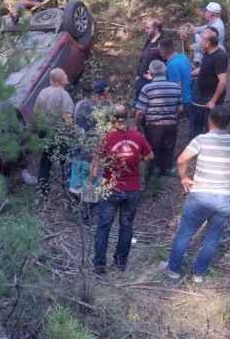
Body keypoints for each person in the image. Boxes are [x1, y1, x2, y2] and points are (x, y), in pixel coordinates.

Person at [162, 106, 230, 282]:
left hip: (200, 195)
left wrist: (184, 178)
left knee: (185, 233)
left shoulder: (201, 140)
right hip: (223, 197)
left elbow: (181, 159)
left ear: (210, 120)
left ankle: (173, 270)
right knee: (212, 238)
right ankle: (199, 274)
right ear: (228, 122)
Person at [91, 105, 153, 274]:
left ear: (112, 119)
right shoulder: (137, 136)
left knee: (104, 226)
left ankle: (99, 264)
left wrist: (93, 179)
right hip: (133, 189)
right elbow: (150, 156)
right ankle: (121, 262)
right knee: (126, 226)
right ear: (128, 118)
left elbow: (97, 161)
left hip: (111, 188)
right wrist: (137, 158)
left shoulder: (107, 137)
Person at [70, 81, 111, 224]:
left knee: (78, 179)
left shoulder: (80, 104)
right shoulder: (106, 108)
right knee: (93, 180)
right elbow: (107, 130)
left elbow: (75, 123)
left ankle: (77, 209)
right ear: (103, 93)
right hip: (95, 150)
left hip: (79, 149)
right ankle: (87, 214)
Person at [135, 60, 182, 179]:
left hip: (154, 126)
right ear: (164, 71)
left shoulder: (147, 88)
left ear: (151, 72)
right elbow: (180, 108)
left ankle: (154, 172)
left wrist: (138, 125)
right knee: (168, 147)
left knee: (154, 148)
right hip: (171, 124)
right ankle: (167, 168)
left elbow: (140, 112)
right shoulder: (176, 87)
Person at [34, 68, 74, 195]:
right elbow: (67, 117)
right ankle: (67, 190)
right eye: (65, 75)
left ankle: (42, 189)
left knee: (46, 159)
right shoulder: (64, 95)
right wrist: (73, 130)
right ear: (60, 80)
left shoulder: (42, 92)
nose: (67, 76)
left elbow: (36, 113)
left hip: (44, 131)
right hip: (59, 132)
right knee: (65, 160)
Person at [189, 27, 228, 139]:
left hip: (209, 99)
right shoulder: (207, 53)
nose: (200, 41)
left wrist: (213, 101)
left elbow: (223, 81)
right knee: (195, 126)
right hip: (201, 97)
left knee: (209, 128)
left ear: (208, 43)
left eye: (202, 40)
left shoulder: (219, 56)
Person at [133, 18, 164, 101]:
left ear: (156, 28)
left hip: (152, 81)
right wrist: (138, 74)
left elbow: (164, 62)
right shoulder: (149, 40)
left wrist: (154, 77)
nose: (146, 30)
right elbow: (142, 58)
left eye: (148, 28)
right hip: (141, 80)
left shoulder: (161, 42)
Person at [159, 37, 193, 113]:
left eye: (159, 49)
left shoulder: (172, 66)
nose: (159, 52)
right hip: (190, 97)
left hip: (183, 102)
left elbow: (176, 87)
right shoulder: (183, 57)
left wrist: (178, 105)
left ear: (164, 50)